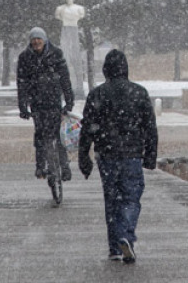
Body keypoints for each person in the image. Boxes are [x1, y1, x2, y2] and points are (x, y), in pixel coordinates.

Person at [78, 49, 158, 264]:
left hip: (106, 154)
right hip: (131, 154)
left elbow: (88, 128)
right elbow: (150, 127)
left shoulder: (97, 94)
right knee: (131, 198)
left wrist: (84, 156)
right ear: (125, 68)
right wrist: (150, 155)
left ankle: (115, 247)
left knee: (112, 200)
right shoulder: (139, 93)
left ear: (106, 69)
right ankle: (127, 235)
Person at [16, 27, 74, 181]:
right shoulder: (24, 57)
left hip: (54, 101)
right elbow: (21, 83)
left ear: (44, 39)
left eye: (38, 39)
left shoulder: (56, 54)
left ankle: (65, 167)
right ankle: (41, 166)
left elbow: (65, 79)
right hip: (36, 102)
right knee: (40, 135)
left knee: (59, 135)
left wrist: (69, 101)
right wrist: (23, 107)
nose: (36, 42)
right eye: (33, 39)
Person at [55, 0, 87, 99]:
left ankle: (78, 88)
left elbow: (81, 15)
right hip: (65, 29)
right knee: (66, 56)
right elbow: (57, 16)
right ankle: (67, 88)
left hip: (74, 29)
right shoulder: (60, 9)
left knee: (75, 56)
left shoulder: (79, 9)